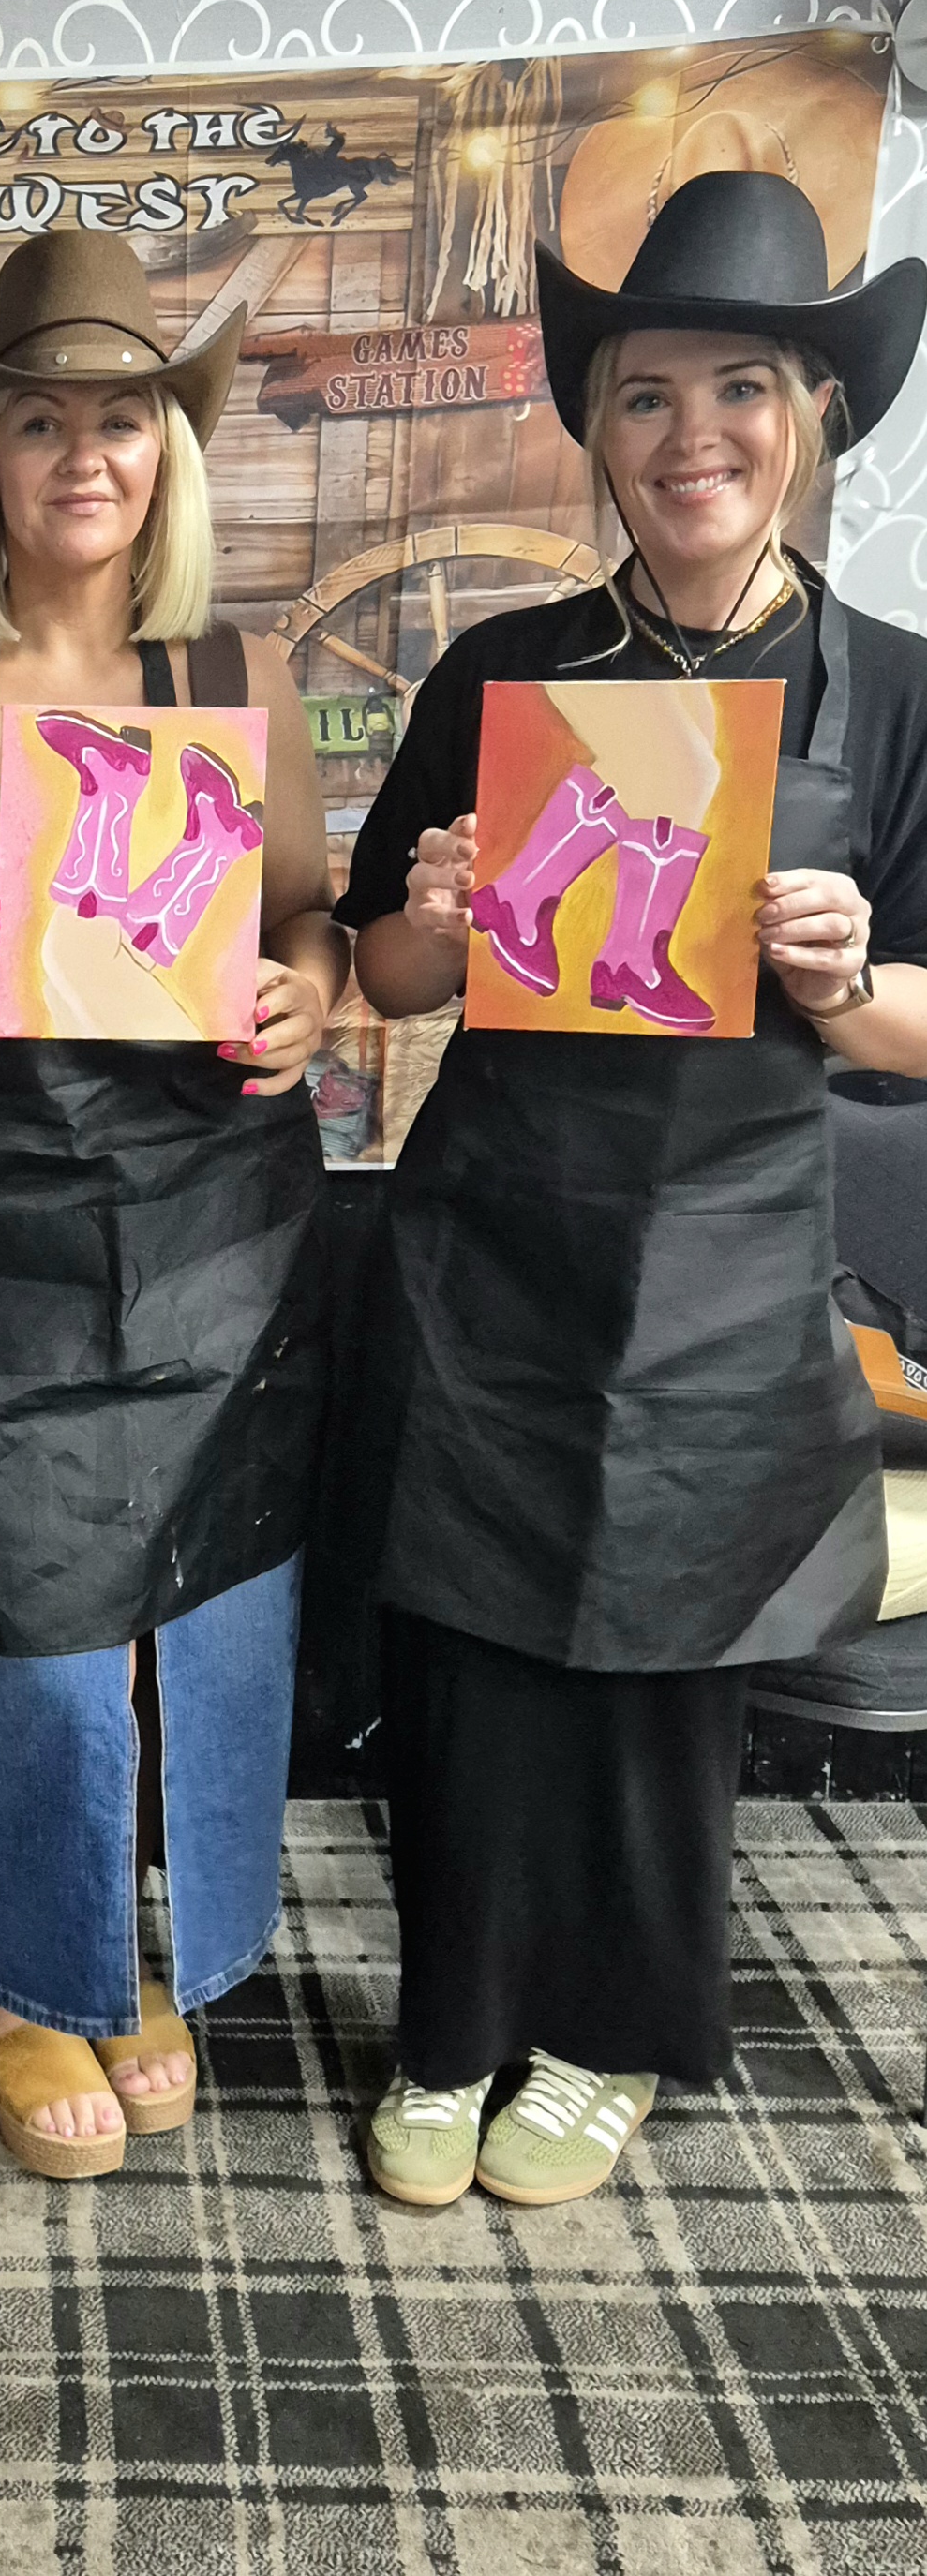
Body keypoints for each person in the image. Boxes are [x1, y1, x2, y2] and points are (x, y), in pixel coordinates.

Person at [341, 171, 927, 2210]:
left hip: (729, 1259)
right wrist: (422, 911)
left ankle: (609, 2038)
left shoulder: (904, 690)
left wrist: (856, 985)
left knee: (670, 1679)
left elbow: (918, 1032)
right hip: (495, 1238)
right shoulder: (500, 670)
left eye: (740, 387)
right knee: (472, 1659)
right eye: (647, 391)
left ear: (812, 416)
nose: (694, 435)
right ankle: (449, 2029)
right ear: (590, 425)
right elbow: (380, 979)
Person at [0, 230, 345, 2177]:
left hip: (224, 1211)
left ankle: (131, 1947)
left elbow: (306, 916)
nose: (81, 453)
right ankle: (15, 1971)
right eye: (39, 419)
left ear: (165, 457)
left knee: (193, 1601)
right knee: (43, 1614)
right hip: (14, 1222)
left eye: (119, 420)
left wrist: (307, 987)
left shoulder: (239, 676)